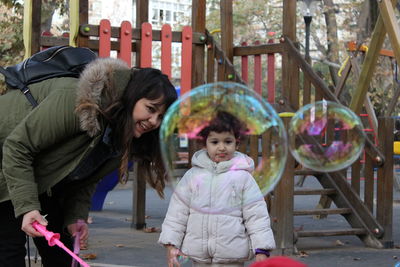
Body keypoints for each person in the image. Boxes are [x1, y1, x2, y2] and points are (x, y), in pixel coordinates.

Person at [0, 57, 177, 267]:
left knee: (62, 255)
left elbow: (86, 176)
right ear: (133, 96)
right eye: (150, 109)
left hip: (42, 176)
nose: (154, 122)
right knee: (9, 253)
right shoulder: (76, 101)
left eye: (161, 117)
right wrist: (28, 207)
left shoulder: (122, 131)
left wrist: (76, 218)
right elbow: (17, 147)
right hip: (7, 164)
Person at [158, 111, 275, 267]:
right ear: (205, 143)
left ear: (237, 143)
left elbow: (256, 215)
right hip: (198, 257)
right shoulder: (192, 176)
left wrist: (261, 250)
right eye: (214, 142)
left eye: (228, 141)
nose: (221, 147)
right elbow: (177, 212)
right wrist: (171, 243)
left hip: (232, 257)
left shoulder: (243, 178)